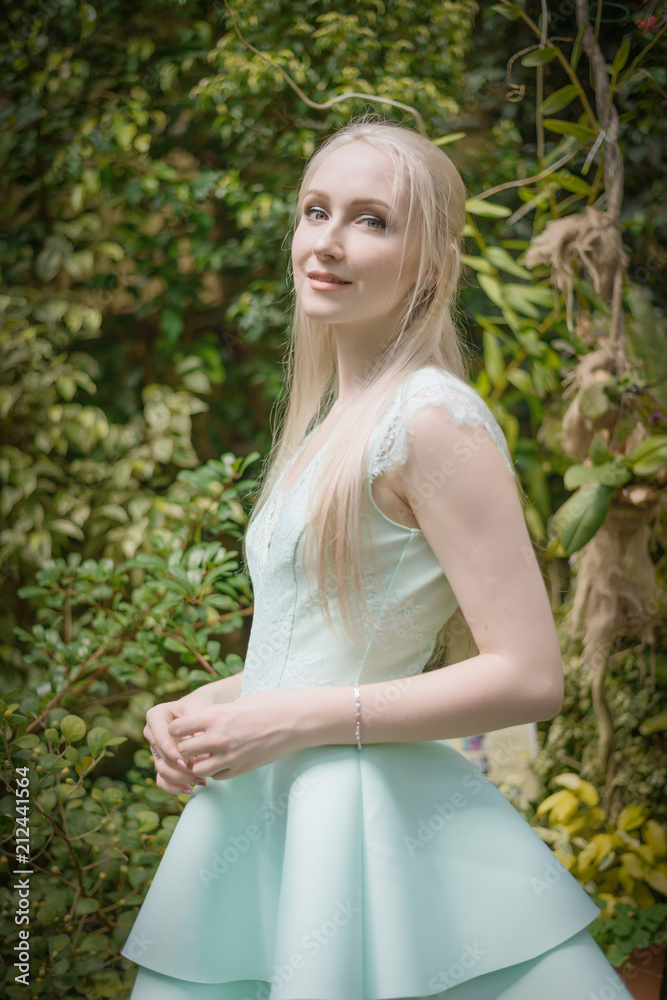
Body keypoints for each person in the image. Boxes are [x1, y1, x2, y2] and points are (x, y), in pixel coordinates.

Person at [121, 118, 633, 1000]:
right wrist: (201, 712)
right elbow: (314, 652)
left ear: (430, 263)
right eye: (315, 211)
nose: (326, 241)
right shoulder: (330, 425)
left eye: (370, 220)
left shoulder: (432, 420)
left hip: (360, 830)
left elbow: (529, 675)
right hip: (267, 812)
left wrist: (289, 723)